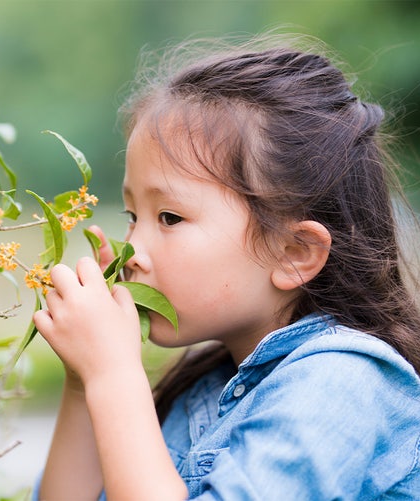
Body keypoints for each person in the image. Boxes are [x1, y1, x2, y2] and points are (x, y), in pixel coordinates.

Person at [31, 33, 420, 500]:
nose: (131, 250)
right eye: (132, 217)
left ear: (294, 253)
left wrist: (113, 376)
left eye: (170, 217)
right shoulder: (207, 388)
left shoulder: (340, 382)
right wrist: (83, 382)